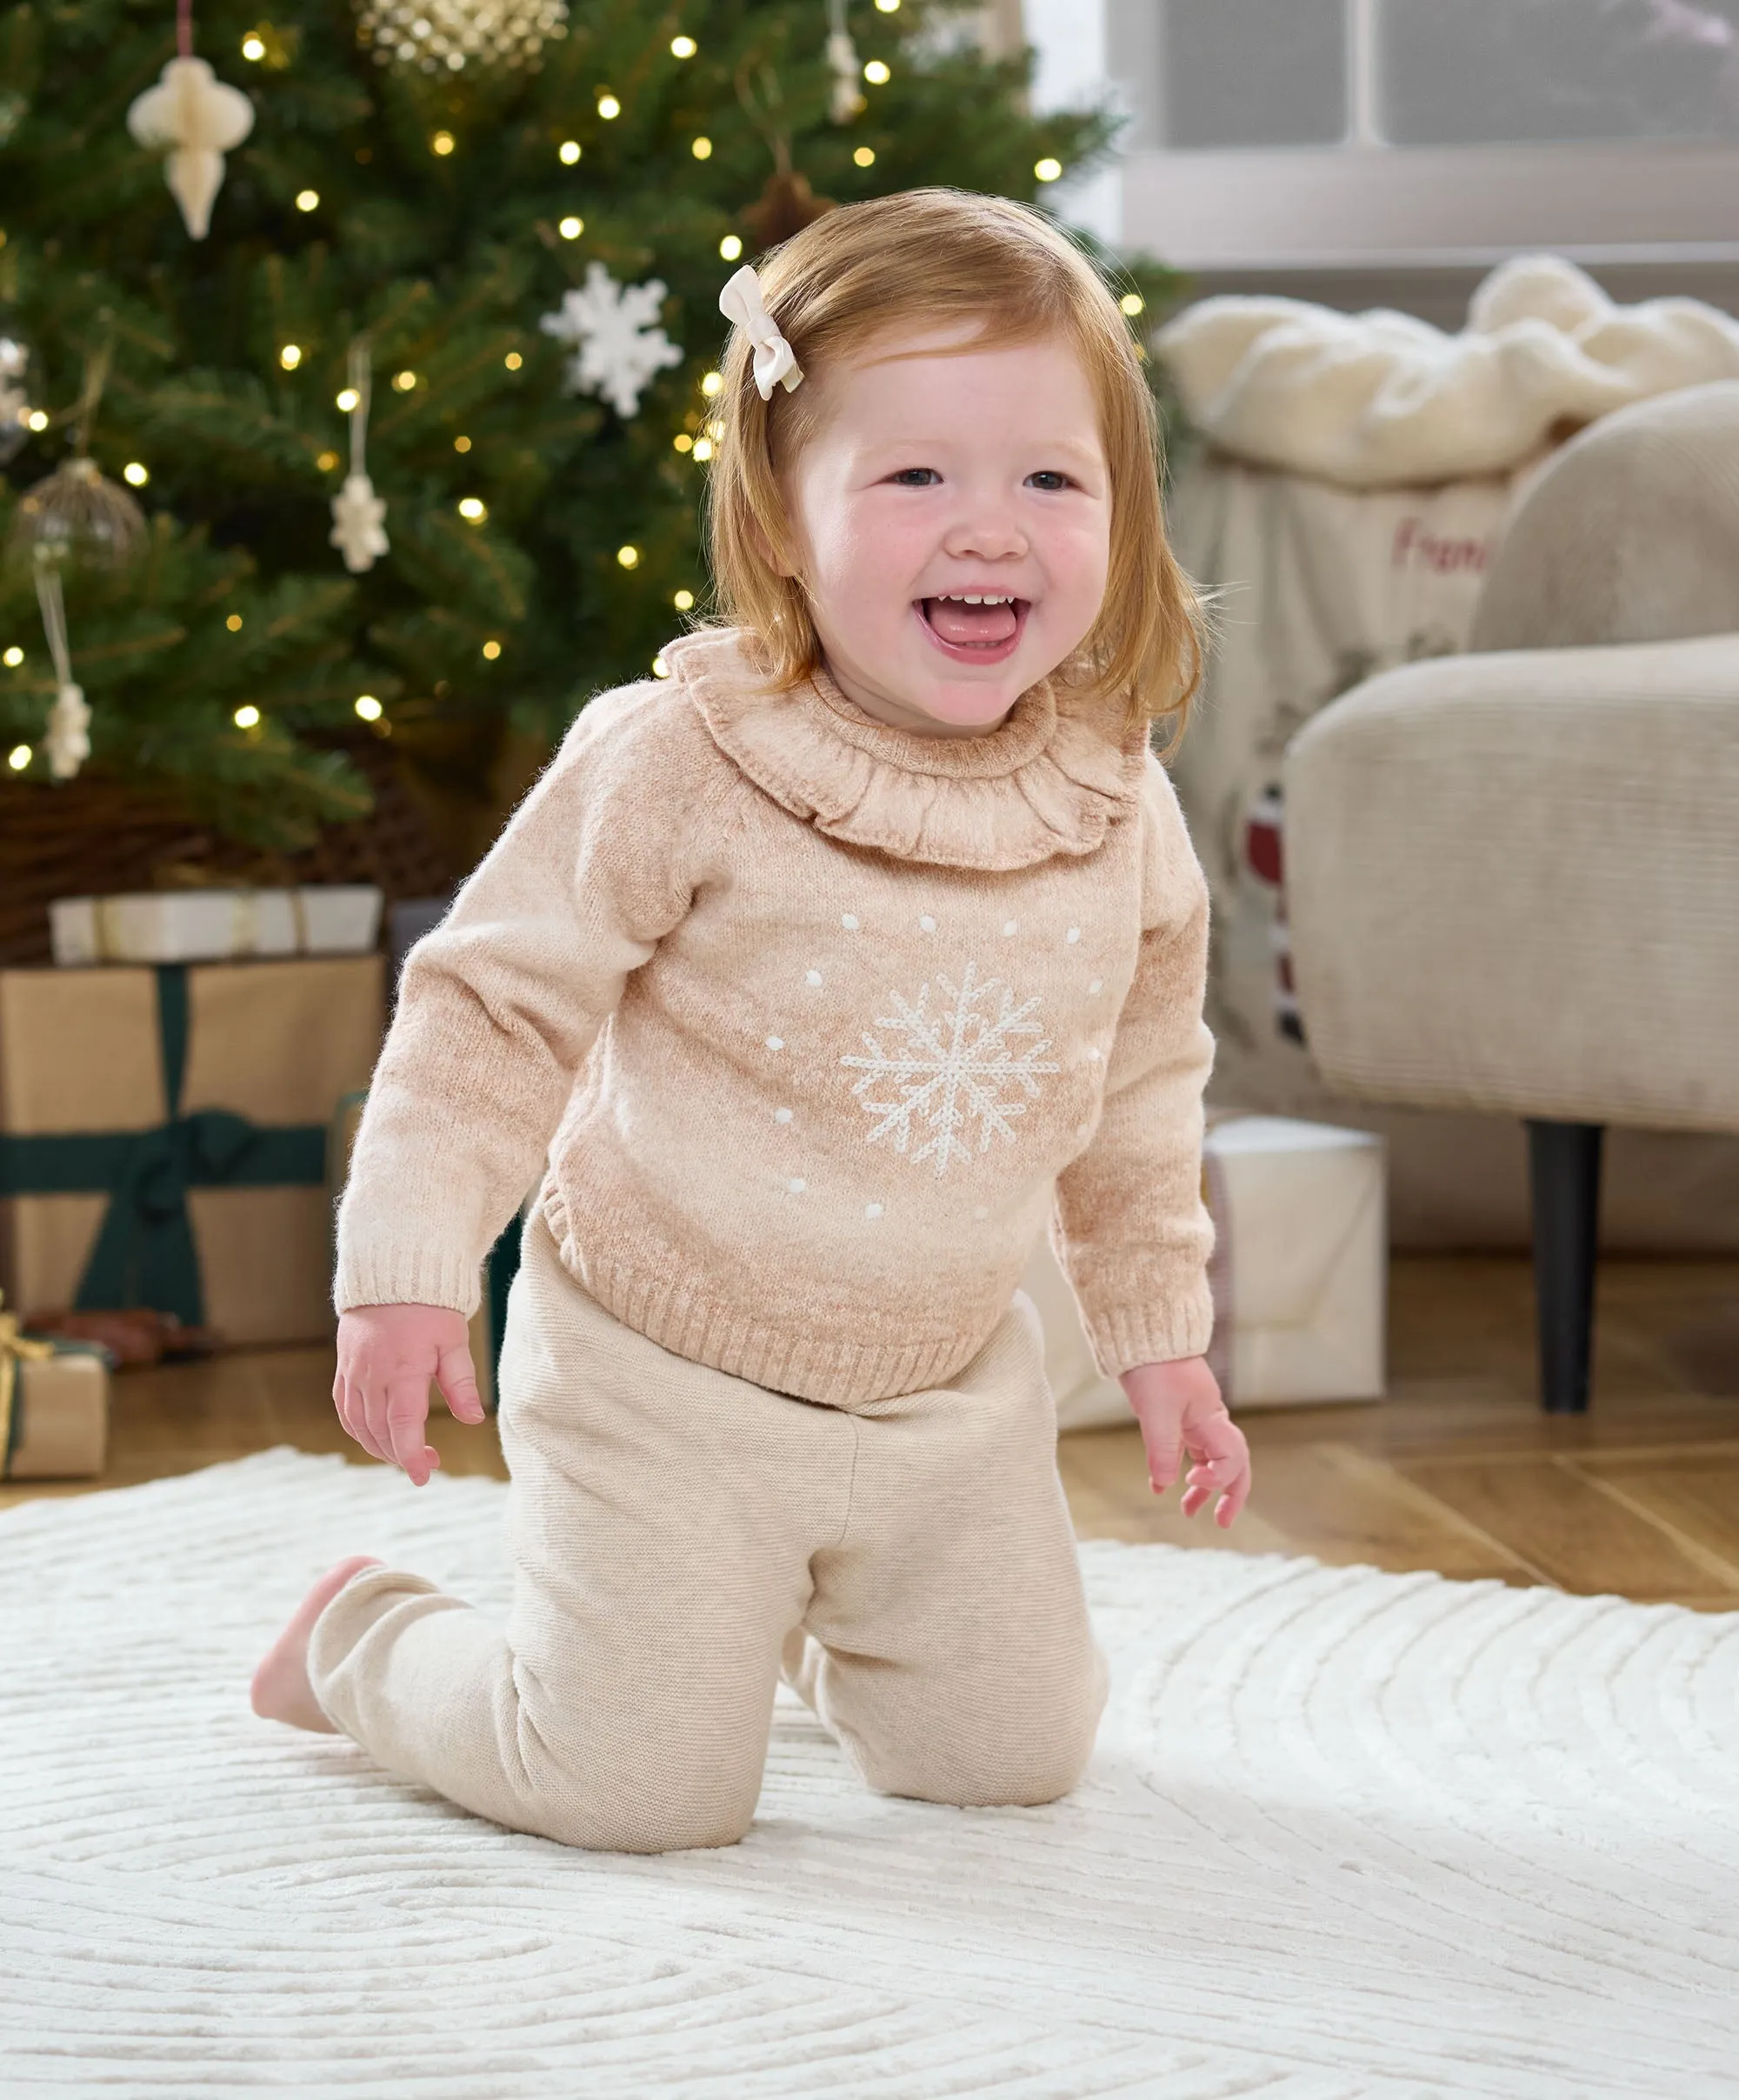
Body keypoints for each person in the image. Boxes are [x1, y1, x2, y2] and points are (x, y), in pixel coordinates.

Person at [251, 188, 1252, 1853]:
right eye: (917, 475)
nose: (989, 527)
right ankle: (368, 1637)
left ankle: (782, 1609)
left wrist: (1162, 1337)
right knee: (636, 1789)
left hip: (946, 1394)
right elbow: (490, 1009)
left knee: (1012, 1757)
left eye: (1051, 480)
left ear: (1123, 516)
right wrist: (411, 1260)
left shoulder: (1115, 804)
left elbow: (1142, 1095)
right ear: (781, 517)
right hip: (662, 1373)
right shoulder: (676, 760)